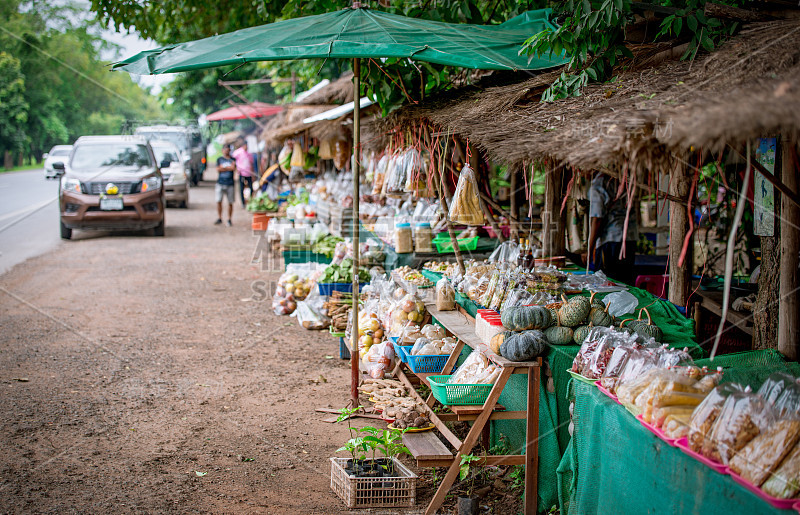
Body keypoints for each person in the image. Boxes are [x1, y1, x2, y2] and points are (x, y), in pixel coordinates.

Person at [584, 173, 638, 285]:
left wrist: (589, 249)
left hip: (611, 240)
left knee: (606, 283)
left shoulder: (598, 184)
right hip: (629, 237)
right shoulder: (621, 179)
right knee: (624, 283)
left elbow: (597, 218)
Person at [215, 145, 236, 226]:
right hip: (220, 183)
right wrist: (228, 167)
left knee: (230, 202)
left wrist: (224, 168)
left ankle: (229, 219)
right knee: (219, 201)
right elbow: (218, 169)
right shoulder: (219, 159)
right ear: (222, 150)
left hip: (230, 183)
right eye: (225, 150)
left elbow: (233, 168)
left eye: (228, 150)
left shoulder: (233, 159)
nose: (226, 151)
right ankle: (220, 217)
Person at [232, 140, 254, 207]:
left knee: (251, 188)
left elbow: (251, 163)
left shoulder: (249, 153)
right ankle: (243, 203)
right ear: (243, 145)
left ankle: (250, 201)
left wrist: (252, 173)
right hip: (241, 173)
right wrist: (236, 169)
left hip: (249, 173)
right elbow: (232, 160)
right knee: (242, 188)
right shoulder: (238, 152)